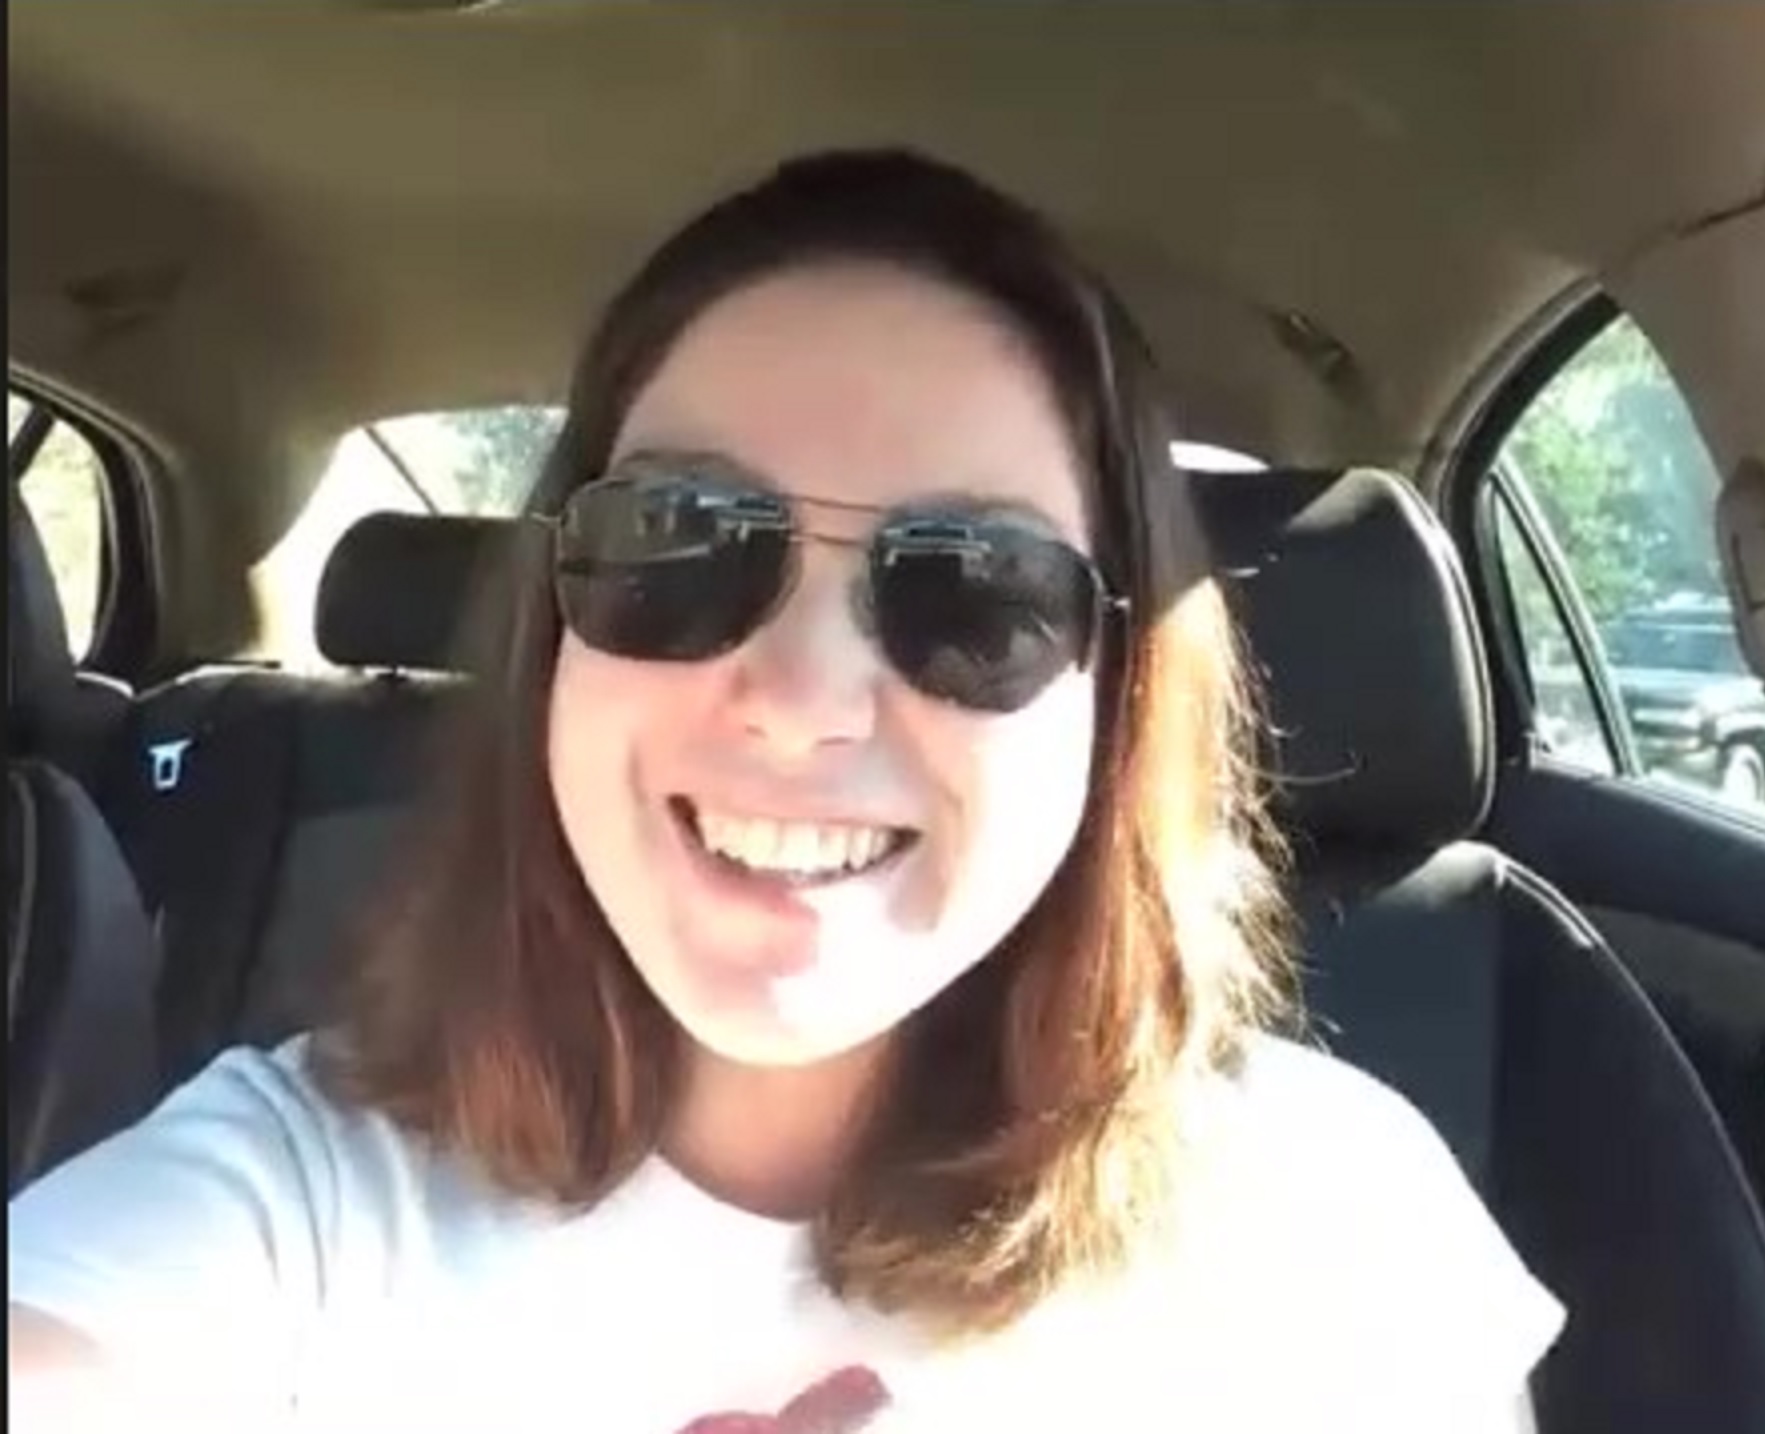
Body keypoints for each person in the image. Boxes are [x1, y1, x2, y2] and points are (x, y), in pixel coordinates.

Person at [8, 149, 1563, 1432]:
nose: (804, 705)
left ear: (1114, 704)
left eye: (974, 592)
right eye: (680, 545)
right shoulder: (291, 1199)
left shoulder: (1328, 1225)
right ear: (555, 638)